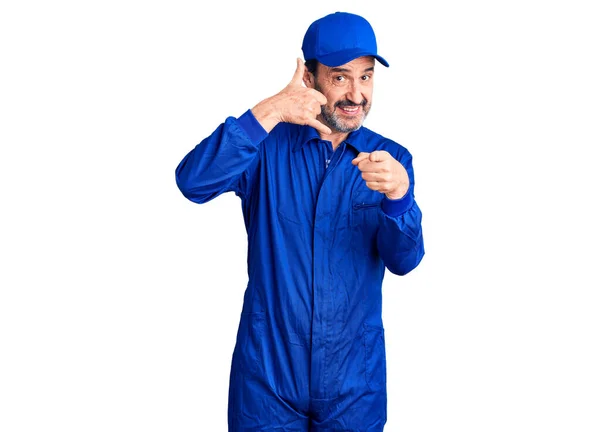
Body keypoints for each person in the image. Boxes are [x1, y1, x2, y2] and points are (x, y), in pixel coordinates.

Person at [175, 11, 425, 431]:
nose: (356, 94)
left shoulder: (389, 161)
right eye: (340, 77)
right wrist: (266, 111)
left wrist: (400, 199)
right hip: (268, 378)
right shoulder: (266, 146)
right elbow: (192, 182)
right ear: (308, 77)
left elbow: (404, 261)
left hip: (354, 381)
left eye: (365, 78)